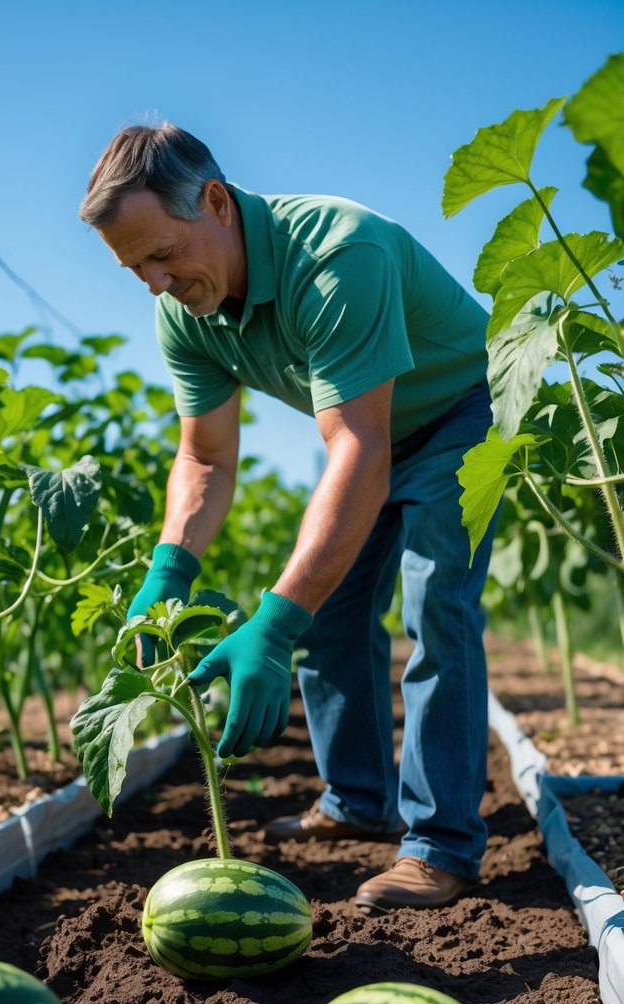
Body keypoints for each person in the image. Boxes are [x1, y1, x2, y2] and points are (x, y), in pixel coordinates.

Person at [79, 122, 498, 913]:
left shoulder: (339, 252)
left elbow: (360, 447)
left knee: (435, 600)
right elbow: (204, 458)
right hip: (369, 431)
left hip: (458, 412)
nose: (156, 284)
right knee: (330, 613)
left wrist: (268, 625)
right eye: (135, 269)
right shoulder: (185, 313)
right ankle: (354, 801)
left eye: (162, 254)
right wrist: (166, 575)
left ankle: (439, 846)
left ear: (213, 201)